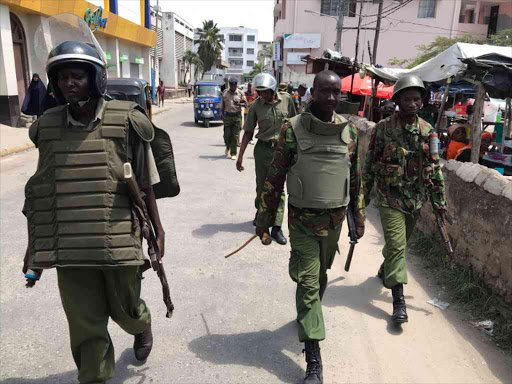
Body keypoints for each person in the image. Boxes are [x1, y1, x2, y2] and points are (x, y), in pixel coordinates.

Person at [22, 41, 167, 384]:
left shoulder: (127, 120)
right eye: (63, 78)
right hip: (70, 247)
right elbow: (42, 192)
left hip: (118, 240)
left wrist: (157, 232)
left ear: (96, 78)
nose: (69, 84)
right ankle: (95, 377)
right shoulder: (48, 128)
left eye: (78, 76)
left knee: (125, 311)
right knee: (85, 326)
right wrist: (35, 250)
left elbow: (145, 184)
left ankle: (141, 324)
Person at [255, 70, 365, 384]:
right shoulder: (292, 129)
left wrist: (358, 218)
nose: (330, 98)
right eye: (324, 91)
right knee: (308, 282)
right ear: (312, 93)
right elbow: (274, 180)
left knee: (319, 277)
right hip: (302, 221)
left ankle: (308, 307)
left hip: (333, 222)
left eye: (336, 92)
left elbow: (355, 179)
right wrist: (265, 221)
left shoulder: (350, 132)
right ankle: (314, 358)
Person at [363, 75, 447, 324]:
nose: (413, 103)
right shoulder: (383, 129)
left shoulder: (428, 131)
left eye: (417, 99)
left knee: (397, 246)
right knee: (398, 247)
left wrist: (440, 202)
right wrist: (362, 198)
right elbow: (368, 165)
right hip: (390, 197)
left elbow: (435, 168)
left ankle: (384, 268)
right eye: (407, 99)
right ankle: (398, 301)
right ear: (397, 100)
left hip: (415, 199)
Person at [237, 73, 296, 245]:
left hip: (282, 150)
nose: (262, 95)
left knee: (280, 189)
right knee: (263, 187)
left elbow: (295, 124)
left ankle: (276, 227)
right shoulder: (255, 106)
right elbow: (248, 131)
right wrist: (240, 156)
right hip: (263, 150)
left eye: (265, 92)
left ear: (273, 90)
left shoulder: (287, 100)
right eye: (259, 92)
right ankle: (261, 217)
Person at [221, 77, 247, 160]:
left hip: (236, 116)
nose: (233, 86)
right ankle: (227, 146)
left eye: (234, 85)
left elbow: (246, 104)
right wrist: (221, 113)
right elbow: (222, 105)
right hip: (227, 116)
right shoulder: (225, 92)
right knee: (226, 135)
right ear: (229, 84)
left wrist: (239, 104)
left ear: (236, 85)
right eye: (231, 85)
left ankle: (233, 153)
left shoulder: (240, 93)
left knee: (235, 136)